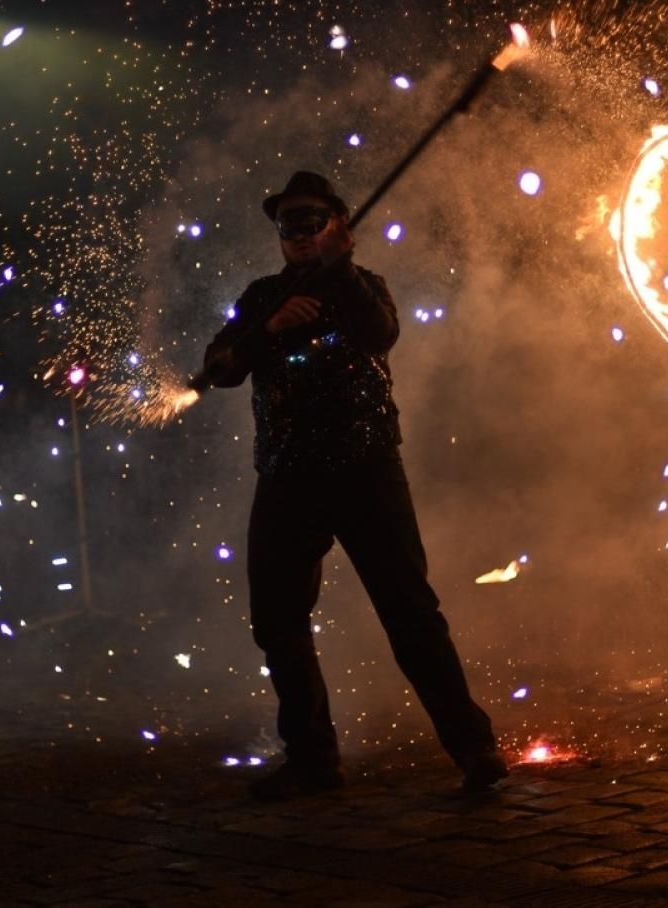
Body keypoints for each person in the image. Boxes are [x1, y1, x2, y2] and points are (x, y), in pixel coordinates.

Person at [200, 170, 506, 800]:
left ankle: (475, 749)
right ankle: (313, 760)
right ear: (279, 235)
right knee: (277, 620)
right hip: (286, 476)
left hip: (365, 469)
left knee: (410, 613)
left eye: (315, 220)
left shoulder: (364, 287)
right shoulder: (261, 297)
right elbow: (215, 370)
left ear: (338, 227)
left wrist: (342, 270)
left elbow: (379, 333)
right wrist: (273, 328)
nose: (302, 232)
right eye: (291, 223)